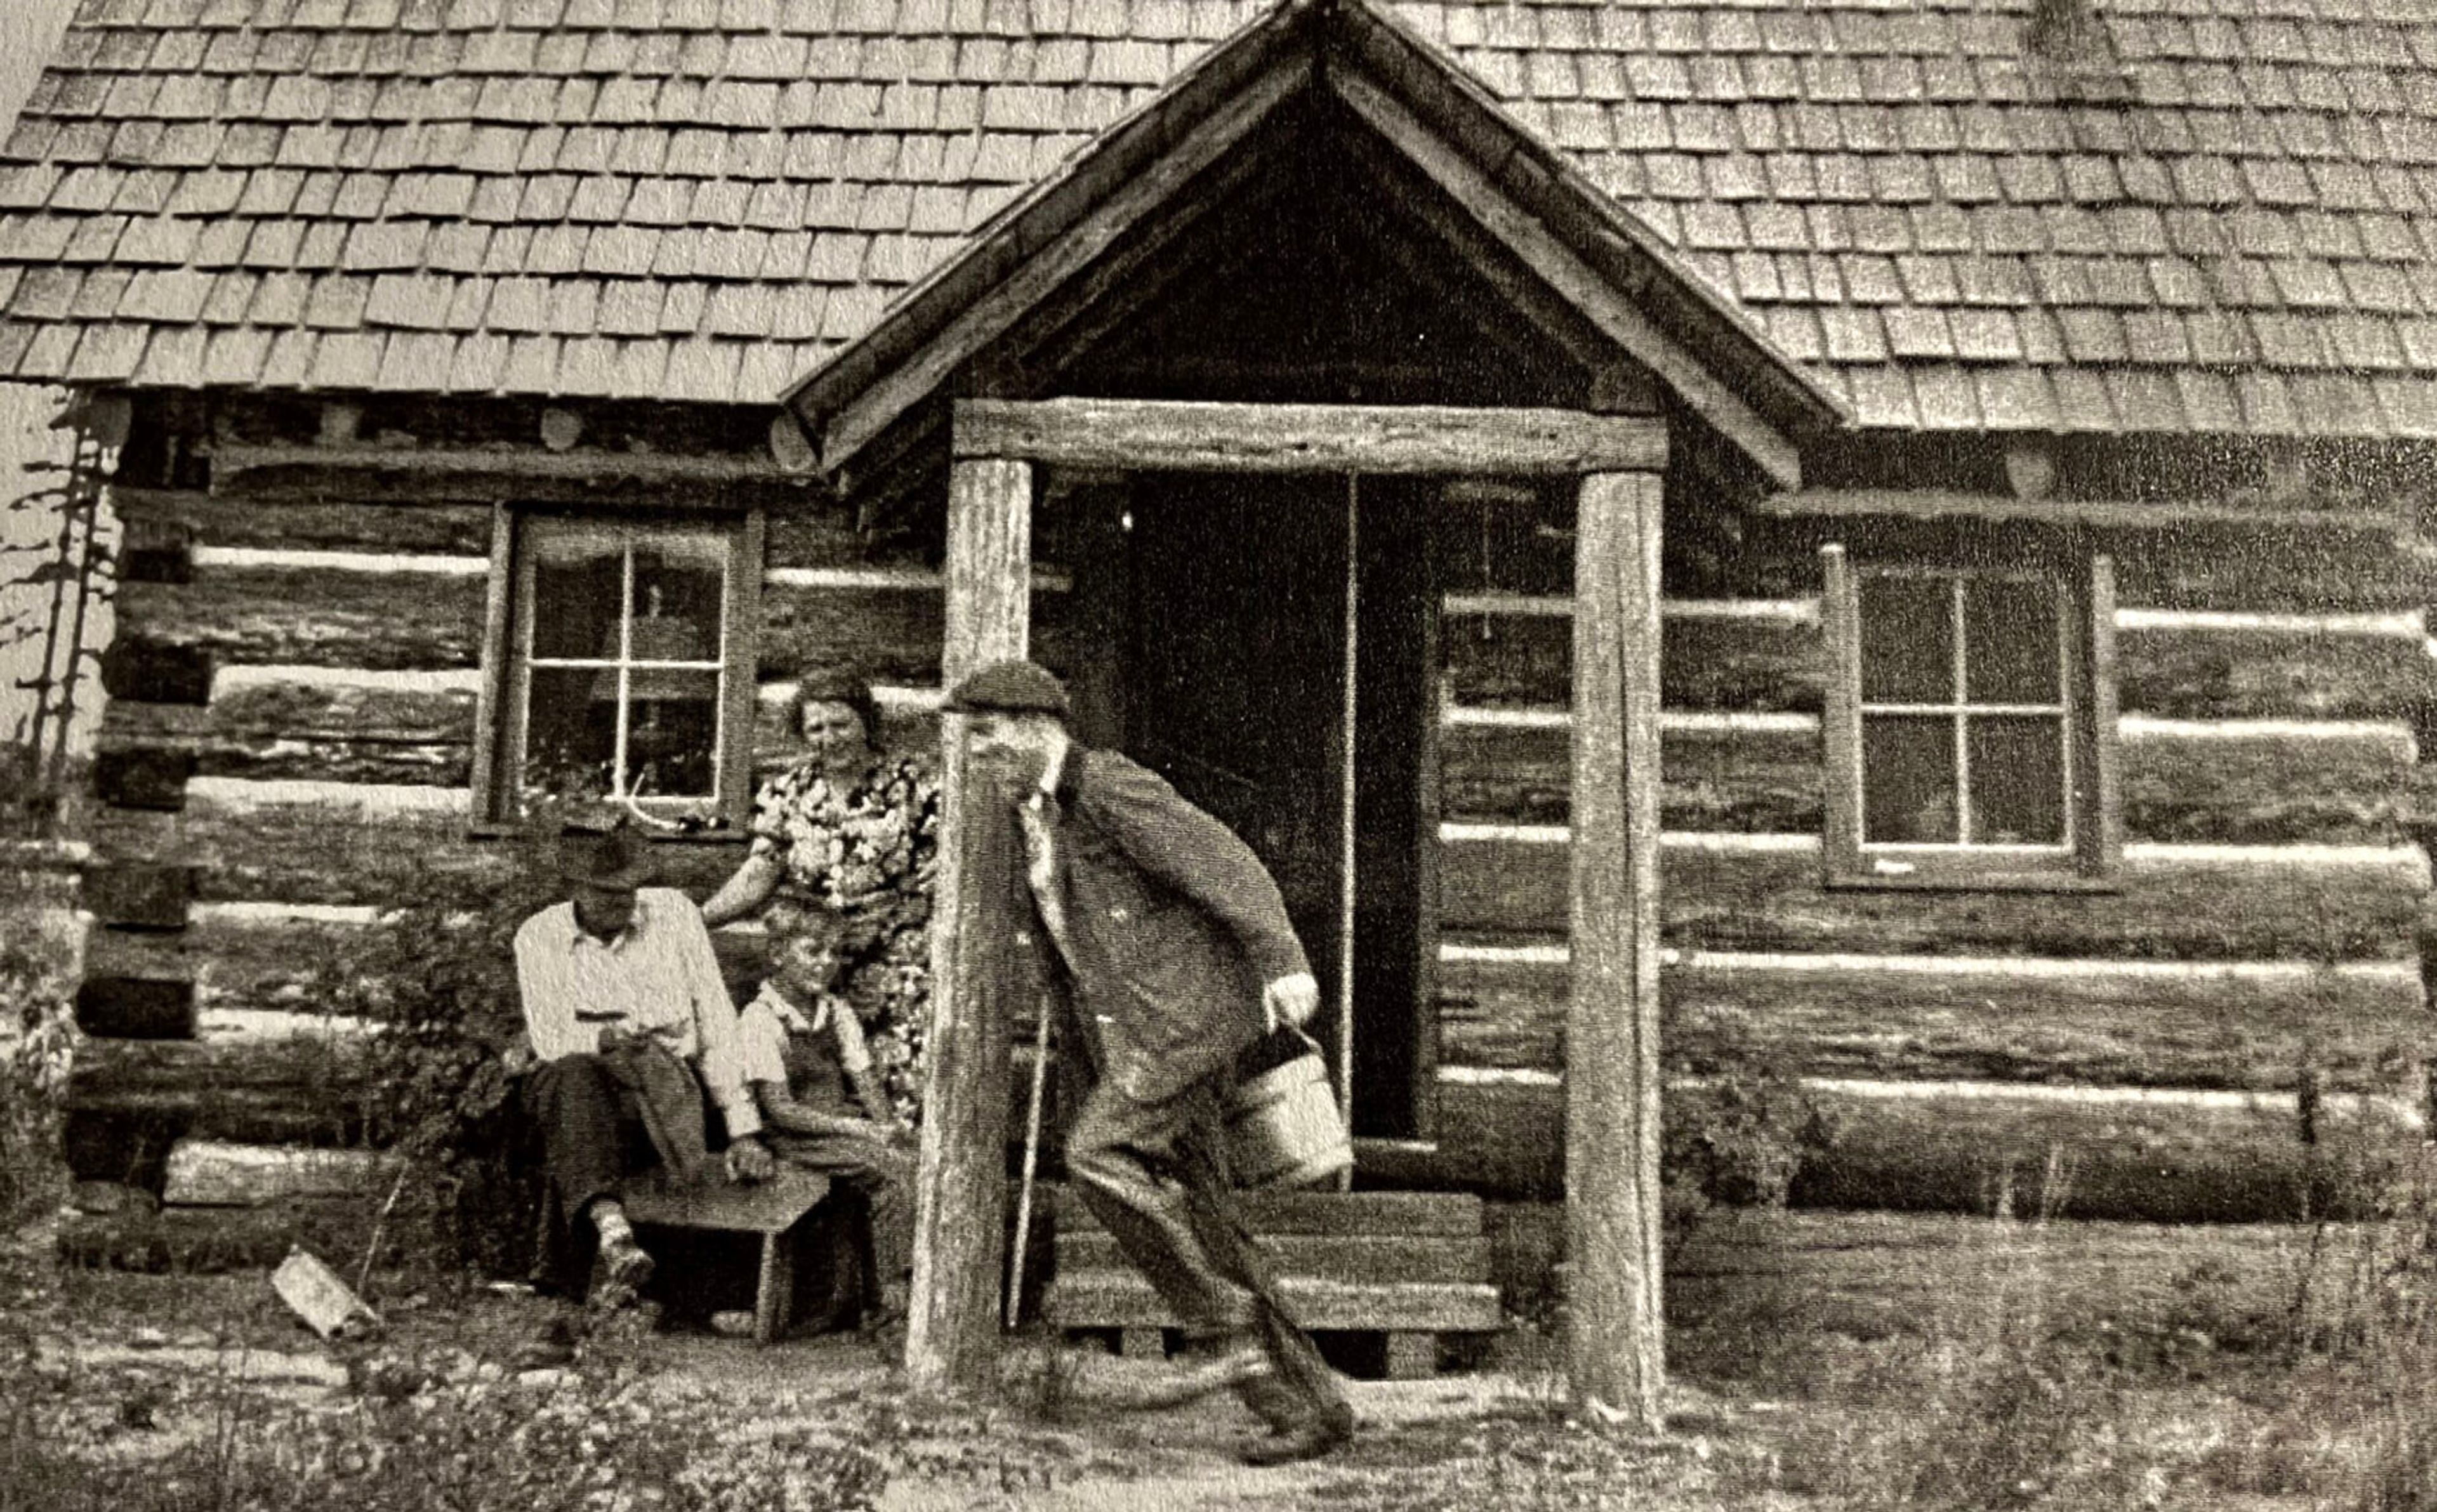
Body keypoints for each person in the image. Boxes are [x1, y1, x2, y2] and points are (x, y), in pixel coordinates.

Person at [944, 658, 1356, 1467]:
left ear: (1036, 729)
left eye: (988, 737)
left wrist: (1284, 960)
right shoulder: (1033, 815)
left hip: (1184, 1024)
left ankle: (1217, 1325)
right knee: (1212, 1224)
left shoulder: (1108, 788)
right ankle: (1306, 1408)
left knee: (1097, 1155)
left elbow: (1225, 861)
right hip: (1134, 1038)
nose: (978, 754)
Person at [512, 826, 774, 1310]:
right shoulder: (539, 936)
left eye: (628, 890)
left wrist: (742, 1127)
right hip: (582, 1087)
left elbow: (716, 1022)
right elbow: (549, 1037)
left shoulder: (675, 915)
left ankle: (577, 1279)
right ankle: (613, 1227)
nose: (621, 902)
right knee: (573, 1078)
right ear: (575, 888)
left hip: (667, 1089)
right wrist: (605, 1039)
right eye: (605, 892)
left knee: (577, 1117)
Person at [701, 669, 940, 1131]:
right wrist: (696, 918)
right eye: (816, 728)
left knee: (895, 1088)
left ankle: (899, 1184)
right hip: (814, 967)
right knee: (822, 1091)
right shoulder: (789, 791)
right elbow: (760, 872)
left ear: (867, 722)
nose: (829, 738)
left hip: (895, 968)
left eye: (841, 724)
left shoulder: (915, 787)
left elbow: (942, 868)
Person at [717, 926, 917, 1332]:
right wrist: (857, 1130)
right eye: (813, 950)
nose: (826, 962)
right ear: (778, 955)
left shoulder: (836, 1011)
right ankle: (894, 1300)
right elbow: (781, 1109)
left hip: (839, 1132)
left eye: (834, 952)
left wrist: (886, 1127)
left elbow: (863, 1079)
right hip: (793, 1137)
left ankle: (895, 1292)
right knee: (891, 1175)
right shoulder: (761, 1019)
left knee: (913, 1160)